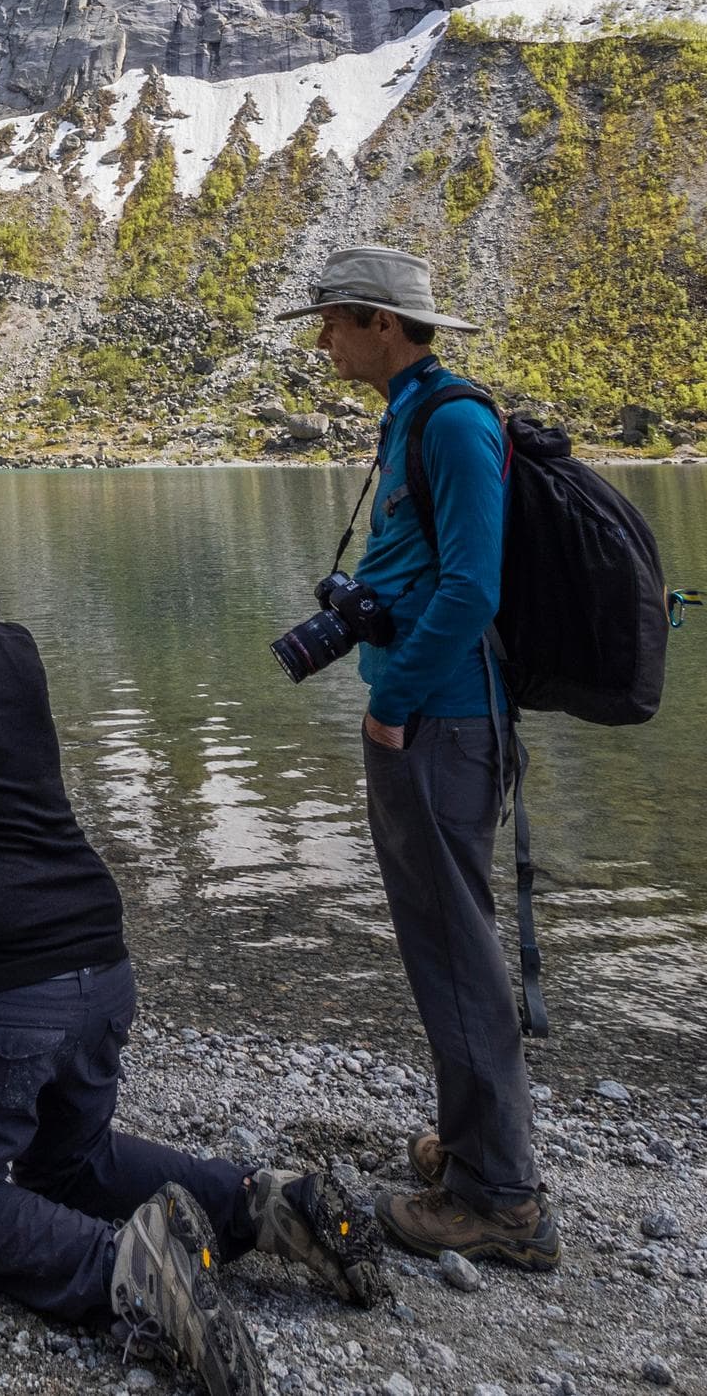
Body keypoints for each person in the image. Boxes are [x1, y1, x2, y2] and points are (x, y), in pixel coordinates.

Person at [0, 503, 385, 1396]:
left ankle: (133, 1274)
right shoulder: (19, 649)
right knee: (68, 1161)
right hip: (101, 964)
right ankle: (264, 1202)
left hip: (4, 991)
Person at [276, 244, 561, 1271]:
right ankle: (476, 1151)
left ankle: (502, 1202)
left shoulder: (451, 422)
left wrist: (391, 703)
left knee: (453, 946)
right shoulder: (414, 414)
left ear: (383, 326)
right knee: (445, 937)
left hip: (438, 722)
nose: (323, 341)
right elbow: (422, 572)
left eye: (335, 323)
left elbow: (472, 588)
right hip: (428, 716)